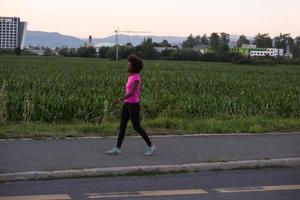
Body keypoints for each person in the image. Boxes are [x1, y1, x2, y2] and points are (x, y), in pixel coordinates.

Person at [106, 54, 155, 156]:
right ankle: (117, 148)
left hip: (133, 105)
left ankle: (150, 146)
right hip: (127, 105)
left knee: (136, 127)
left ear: (134, 67)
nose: (127, 66)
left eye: (129, 65)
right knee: (122, 126)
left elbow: (132, 93)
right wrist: (123, 101)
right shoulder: (130, 76)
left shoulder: (136, 78)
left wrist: (119, 100)